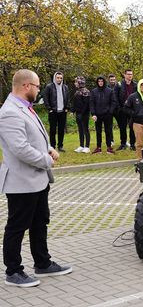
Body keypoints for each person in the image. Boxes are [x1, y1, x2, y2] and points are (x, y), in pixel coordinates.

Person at [0, 69, 72, 288]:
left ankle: (43, 262)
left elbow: (36, 136)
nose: (40, 89)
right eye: (38, 86)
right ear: (26, 86)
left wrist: (49, 149)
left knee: (40, 221)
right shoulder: (9, 112)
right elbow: (20, 148)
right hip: (22, 181)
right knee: (17, 226)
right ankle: (13, 271)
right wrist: (46, 160)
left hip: (37, 179)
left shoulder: (26, 109)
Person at [42, 71, 69, 152]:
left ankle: (60, 146)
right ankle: (52, 146)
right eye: (57, 77)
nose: (59, 79)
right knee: (53, 130)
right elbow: (45, 98)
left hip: (62, 112)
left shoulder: (65, 87)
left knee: (61, 130)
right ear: (55, 77)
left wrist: (66, 108)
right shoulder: (49, 87)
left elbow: (67, 98)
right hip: (53, 112)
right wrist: (49, 108)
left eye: (61, 78)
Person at [90, 75, 117, 154]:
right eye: (99, 81)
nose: (100, 83)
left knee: (108, 131)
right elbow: (91, 103)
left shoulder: (109, 91)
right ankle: (98, 147)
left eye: (102, 81)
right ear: (97, 82)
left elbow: (113, 102)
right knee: (98, 132)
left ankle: (109, 147)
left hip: (107, 114)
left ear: (104, 82)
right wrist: (93, 114)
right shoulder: (94, 91)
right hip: (97, 115)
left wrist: (110, 111)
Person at [115, 69, 137, 151]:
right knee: (122, 127)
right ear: (124, 75)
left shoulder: (135, 84)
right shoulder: (119, 84)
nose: (130, 76)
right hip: (122, 109)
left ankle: (132, 144)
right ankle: (123, 144)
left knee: (132, 127)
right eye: (128, 74)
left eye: (131, 74)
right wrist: (119, 108)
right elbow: (115, 97)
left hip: (132, 109)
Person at [72, 76, 91, 153]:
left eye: (76, 82)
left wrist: (82, 113)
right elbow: (75, 103)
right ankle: (81, 145)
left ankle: (87, 146)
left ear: (80, 82)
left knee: (85, 129)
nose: (75, 83)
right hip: (78, 113)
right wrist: (72, 111)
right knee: (80, 129)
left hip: (84, 114)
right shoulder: (77, 92)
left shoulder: (86, 91)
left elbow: (86, 105)